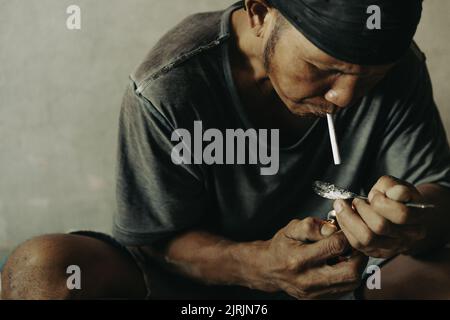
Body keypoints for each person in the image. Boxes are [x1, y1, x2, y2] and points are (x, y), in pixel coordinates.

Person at [2, 0, 450, 300]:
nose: (345, 97)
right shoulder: (169, 86)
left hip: (340, 285)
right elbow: (156, 243)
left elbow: (438, 196)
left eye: (369, 78)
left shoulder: (401, 70)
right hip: (192, 294)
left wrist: (413, 219)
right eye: (322, 69)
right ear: (259, 13)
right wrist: (259, 265)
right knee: (41, 271)